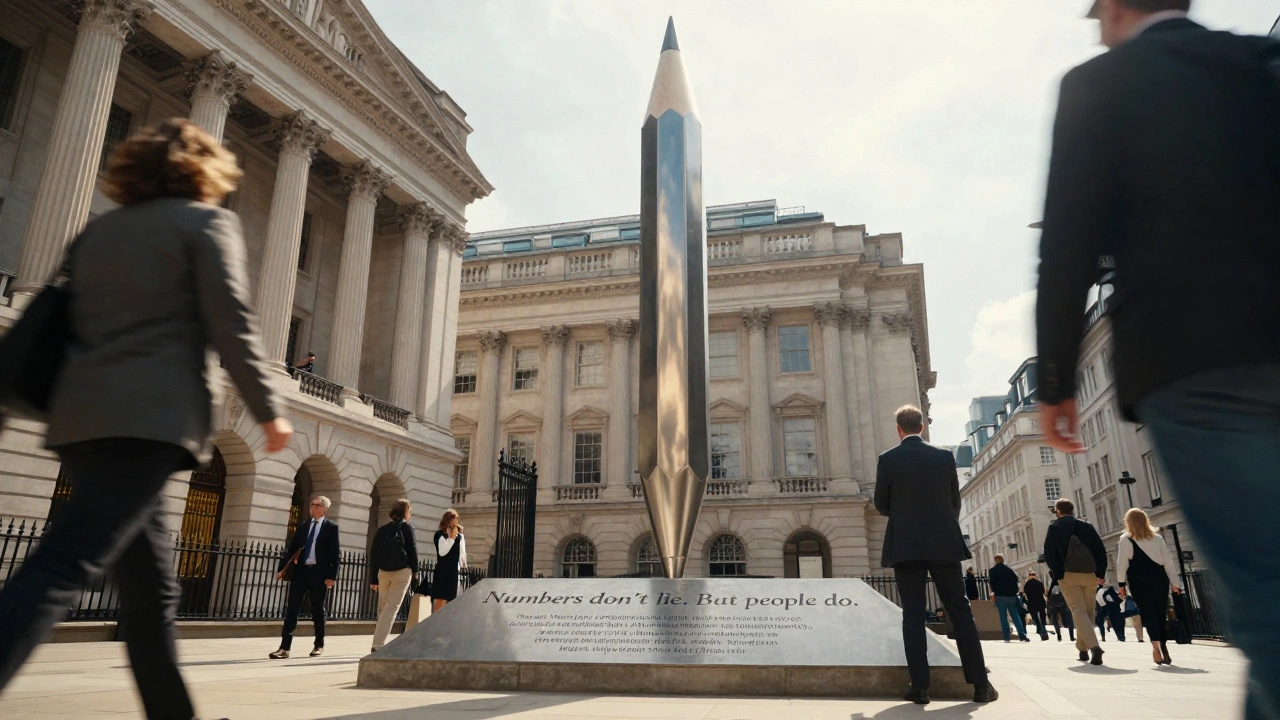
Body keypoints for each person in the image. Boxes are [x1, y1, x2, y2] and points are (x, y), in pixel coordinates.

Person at [0, 118, 292, 720]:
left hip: (79, 420)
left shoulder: (97, 233)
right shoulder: (209, 223)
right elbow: (232, 324)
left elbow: (51, 321)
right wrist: (268, 409)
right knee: (64, 561)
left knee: (152, 595)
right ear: (203, 172)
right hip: (151, 421)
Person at [1035, 0, 1280, 713]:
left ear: (1112, 8)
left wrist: (1055, 380)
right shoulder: (1257, 63)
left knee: (1264, 592)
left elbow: (1068, 245)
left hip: (1190, 361)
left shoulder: (1099, 84)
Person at [874, 405, 997, 705]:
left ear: (898, 429)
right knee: (960, 611)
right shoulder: (944, 456)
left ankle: (920, 687)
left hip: (906, 545)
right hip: (943, 543)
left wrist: (905, 514)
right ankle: (980, 685)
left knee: (913, 615)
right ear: (922, 427)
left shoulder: (888, 459)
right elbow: (955, 501)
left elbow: (881, 504)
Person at [270, 495, 340, 659]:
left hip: (319, 574)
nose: (312, 508)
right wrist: (282, 569)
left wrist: (331, 576)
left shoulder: (331, 527)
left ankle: (318, 644)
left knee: (317, 610)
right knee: (292, 609)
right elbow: (291, 548)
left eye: (315, 505)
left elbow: (334, 554)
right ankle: (284, 647)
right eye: (311, 505)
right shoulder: (303, 526)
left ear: (323, 509)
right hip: (301, 572)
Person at [1043, 498, 1108, 665]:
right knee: (1088, 611)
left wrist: (1058, 573)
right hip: (1090, 573)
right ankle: (1082, 648)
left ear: (1058, 511)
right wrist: (1100, 572)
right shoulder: (1086, 525)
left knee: (1078, 611)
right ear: (1073, 510)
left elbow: (1049, 554)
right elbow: (1100, 549)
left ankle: (1094, 647)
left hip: (1068, 574)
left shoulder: (1054, 527)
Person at [1117, 508, 1184, 665]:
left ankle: (1155, 648)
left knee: (1148, 614)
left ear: (1129, 523)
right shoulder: (1157, 538)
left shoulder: (1126, 539)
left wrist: (1121, 584)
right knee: (1161, 613)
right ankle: (1164, 646)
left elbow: (1122, 564)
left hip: (1138, 580)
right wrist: (1175, 584)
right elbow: (1168, 563)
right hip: (1159, 579)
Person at [369, 499, 419, 653]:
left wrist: (373, 578)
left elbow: (374, 555)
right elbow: (412, 551)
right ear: (406, 512)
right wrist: (415, 572)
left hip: (383, 573)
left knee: (383, 609)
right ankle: (377, 645)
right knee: (391, 609)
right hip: (402, 572)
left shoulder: (382, 530)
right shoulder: (408, 529)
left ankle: (379, 641)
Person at [429, 509, 467, 613]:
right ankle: (435, 624)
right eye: (454, 519)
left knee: (453, 601)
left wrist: (464, 566)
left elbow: (462, 552)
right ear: (448, 520)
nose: (456, 522)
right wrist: (451, 538)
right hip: (443, 572)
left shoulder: (459, 536)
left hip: (454, 572)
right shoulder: (440, 535)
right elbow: (442, 552)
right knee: (441, 600)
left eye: (457, 519)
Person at [988, 555, 1029, 643]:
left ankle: (1006, 637)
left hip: (999, 596)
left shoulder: (992, 571)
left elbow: (992, 584)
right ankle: (1021, 635)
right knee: (1015, 615)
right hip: (1011, 596)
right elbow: (1015, 581)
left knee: (1003, 617)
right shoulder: (1009, 570)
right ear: (1003, 560)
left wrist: (995, 591)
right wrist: (1014, 592)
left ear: (995, 560)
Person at [1024, 571, 1049, 640]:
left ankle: (1039, 627)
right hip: (1040, 602)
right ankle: (1043, 628)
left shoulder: (1027, 584)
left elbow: (1025, 592)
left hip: (1032, 602)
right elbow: (1042, 591)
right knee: (1042, 615)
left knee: (1034, 616)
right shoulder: (1039, 583)